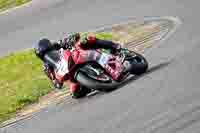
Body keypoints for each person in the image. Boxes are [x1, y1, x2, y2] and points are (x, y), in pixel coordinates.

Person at [34, 32, 122, 98]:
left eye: (47, 51)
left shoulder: (58, 45)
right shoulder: (47, 67)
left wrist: (70, 40)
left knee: (86, 40)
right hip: (71, 75)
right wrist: (57, 82)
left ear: (50, 46)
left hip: (76, 58)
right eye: (43, 55)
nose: (47, 55)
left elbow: (75, 36)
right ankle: (92, 83)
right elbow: (55, 82)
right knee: (75, 94)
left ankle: (114, 46)